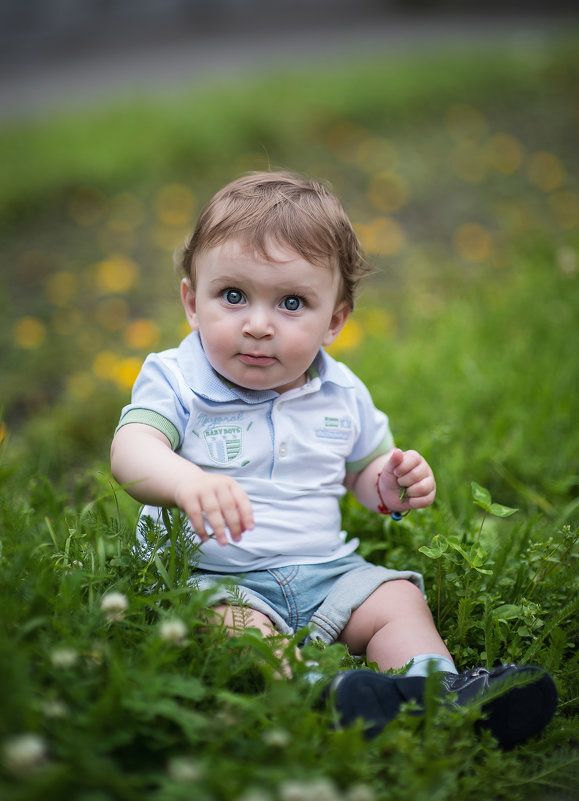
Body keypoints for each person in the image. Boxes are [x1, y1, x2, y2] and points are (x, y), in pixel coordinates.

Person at [110, 171, 557, 748]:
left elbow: (362, 474)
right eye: (233, 296)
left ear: (335, 321)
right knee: (231, 631)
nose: (258, 323)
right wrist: (184, 482)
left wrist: (390, 486)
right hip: (216, 576)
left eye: (291, 303)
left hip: (326, 573)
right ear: (192, 303)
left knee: (397, 599)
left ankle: (439, 691)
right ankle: (319, 697)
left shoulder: (341, 393)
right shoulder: (178, 379)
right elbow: (131, 451)